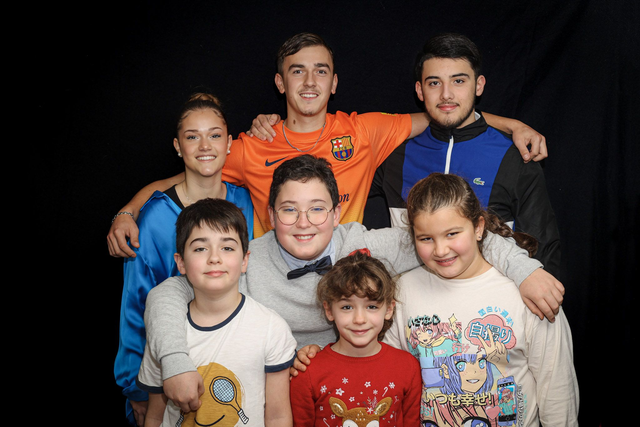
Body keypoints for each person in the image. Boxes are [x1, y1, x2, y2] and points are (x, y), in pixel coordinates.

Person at [141, 155, 563, 414]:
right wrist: (175, 362)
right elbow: (169, 292)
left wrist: (525, 270)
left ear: (336, 213)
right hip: (272, 401)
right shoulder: (246, 257)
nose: (303, 223)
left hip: (357, 395)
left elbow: (456, 233)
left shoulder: (364, 244)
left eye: (316, 209)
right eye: (289, 210)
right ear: (270, 215)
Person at [107, 32, 548, 255]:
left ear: (334, 83)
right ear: (280, 82)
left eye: (320, 71)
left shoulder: (364, 131)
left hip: (347, 286)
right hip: (274, 287)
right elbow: (179, 180)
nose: (310, 81)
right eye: (297, 71)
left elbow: (445, 109)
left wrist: (513, 125)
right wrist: (128, 211)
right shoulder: (251, 146)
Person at [383, 172, 578, 426]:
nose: (440, 250)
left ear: (478, 227)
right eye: (426, 238)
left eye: (452, 234)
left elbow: (558, 393)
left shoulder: (528, 292)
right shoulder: (401, 292)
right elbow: (387, 380)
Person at [366, 33, 561, 277]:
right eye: (434, 83)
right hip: (410, 297)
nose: (446, 94)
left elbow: (543, 249)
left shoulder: (514, 157)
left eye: (458, 81)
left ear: (479, 85)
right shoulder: (395, 154)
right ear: (419, 90)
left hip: (490, 299)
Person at [113, 93, 254, 426]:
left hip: (234, 361)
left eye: (214, 135)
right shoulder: (154, 219)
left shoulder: (247, 202)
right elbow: (136, 305)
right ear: (178, 146)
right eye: (193, 137)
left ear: (229, 143)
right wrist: (136, 387)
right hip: (169, 369)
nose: (205, 145)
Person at [137, 198, 296, 427]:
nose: (214, 258)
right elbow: (155, 416)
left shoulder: (271, 328)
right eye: (200, 248)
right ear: (181, 263)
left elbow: (278, 416)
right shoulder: (164, 334)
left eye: (227, 248)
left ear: (245, 260)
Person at [289, 249, 422, 426]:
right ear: (329, 310)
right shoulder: (307, 372)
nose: (359, 319)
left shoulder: (408, 367)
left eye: (372, 306)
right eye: (347, 307)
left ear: (389, 309)